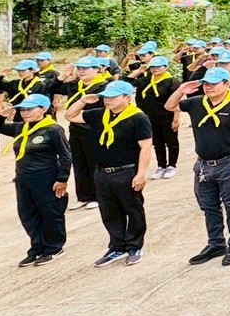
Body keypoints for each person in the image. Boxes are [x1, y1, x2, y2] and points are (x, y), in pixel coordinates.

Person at [166, 67, 230, 266]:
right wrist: (181, 90)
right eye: (206, 83)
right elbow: (170, 105)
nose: (209, 87)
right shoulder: (197, 102)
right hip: (204, 166)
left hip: (229, 162)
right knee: (209, 207)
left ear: (227, 84)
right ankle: (216, 243)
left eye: (214, 84)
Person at [66, 80, 154, 267]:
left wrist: (141, 173)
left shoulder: (138, 118)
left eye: (113, 97)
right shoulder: (100, 114)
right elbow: (70, 115)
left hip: (126, 171)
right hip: (102, 172)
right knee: (109, 211)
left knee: (133, 209)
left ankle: (134, 246)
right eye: (106, 97)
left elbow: (145, 147)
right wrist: (82, 100)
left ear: (127, 98)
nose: (108, 100)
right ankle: (117, 246)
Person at [0, 92, 71, 264]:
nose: (25, 113)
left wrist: (62, 178)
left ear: (43, 109)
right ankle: (37, 246)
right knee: (28, 213)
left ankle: (54, 247)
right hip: (23, 177)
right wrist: (1, 116)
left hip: (45, 176)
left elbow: (65, 156)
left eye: (30, 109)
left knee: (50, 212)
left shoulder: (53, 129)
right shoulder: (21, 127)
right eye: (22, 110)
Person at [53, 57, 113, 210]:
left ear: (97, 69)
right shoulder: (74, 85)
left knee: (94, 163)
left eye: (86, 68)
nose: (82, 71)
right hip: (76, 129)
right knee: (79, 162)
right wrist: (63, 76)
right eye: (79, 68)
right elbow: (51, 87)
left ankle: (97, 196)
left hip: (95, 130)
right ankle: (83, 196)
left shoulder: (104, 87)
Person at [131, 55, 181, 179]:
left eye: (158, 67)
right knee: (157, 142)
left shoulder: (171, 81)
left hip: (167, 116)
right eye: (152, 67)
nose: (155, 69)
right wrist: (139, 71)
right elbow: (126, 81)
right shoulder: (147, 80)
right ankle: (161, 166)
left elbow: (177, 101)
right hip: (150, 117)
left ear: (165, 67)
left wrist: (176, 119)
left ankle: (172, 165)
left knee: (171, 141)